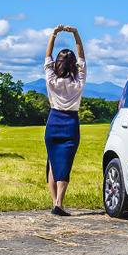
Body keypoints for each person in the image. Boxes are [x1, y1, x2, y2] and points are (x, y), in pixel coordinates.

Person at [44, 24, 86, 216]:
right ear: (73, 65)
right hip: (70, 123)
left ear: (58, 64)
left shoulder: (51, 79)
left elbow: (47, 58)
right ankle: (59, 203)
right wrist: (76, 34)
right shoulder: (78, 81)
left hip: (53, 123)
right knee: (65, 164)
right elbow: (82, 58)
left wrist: (53, 34)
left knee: (53, 163)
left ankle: (56, 203)